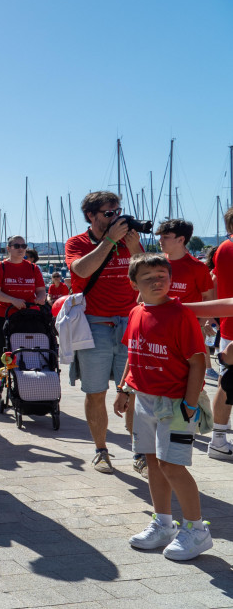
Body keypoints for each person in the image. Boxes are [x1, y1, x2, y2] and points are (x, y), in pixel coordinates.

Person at [113, 253, 213, 560]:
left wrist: (190, 404)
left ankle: (197, 530)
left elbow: (198, 362)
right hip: (143, 399)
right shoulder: (135, 312)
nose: (157, 282)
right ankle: (163, 522)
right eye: (148, 278)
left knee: (172, 465)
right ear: (133, 284)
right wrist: (124, 388)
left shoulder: (180, 314)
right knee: (152, 461)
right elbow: (134, 351)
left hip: (175, 403)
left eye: (162, 276)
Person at [65, 191, 141, 473]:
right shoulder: (77, 243)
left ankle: (139, 452)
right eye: (109, 213)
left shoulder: (128, 241)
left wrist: (134, 247)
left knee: (132, 392)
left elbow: (146, 273)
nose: (115, 217)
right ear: (91, 216)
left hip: (129, 325)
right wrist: (110, 240)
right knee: (95, 392)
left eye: (117, 211)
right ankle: (101, 450)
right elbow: (82, 271)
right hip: (94, 325)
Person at [0, 236, 46, 407]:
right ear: (9, 248)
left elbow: (41, 291)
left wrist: (41, 299)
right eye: (16, 246)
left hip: (27, 317)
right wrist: (13, 300)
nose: (21, 249)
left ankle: (29, 388)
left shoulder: (33, 268)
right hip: (2, 316)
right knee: (2, 356)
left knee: (28, 353)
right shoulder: (1, 267)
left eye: (23, 246)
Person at [204, 206, 233, 461]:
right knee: (226, 385)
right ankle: (218, 441)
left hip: (228, 327)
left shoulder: (223, 249)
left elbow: (213, 282)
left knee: (226, 384)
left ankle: (219, 440)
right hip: (230, 328)